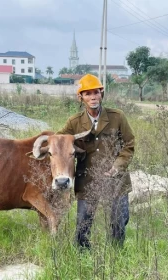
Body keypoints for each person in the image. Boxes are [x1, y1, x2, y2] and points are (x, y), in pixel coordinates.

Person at [56, 74, 135, 249]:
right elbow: (59, 142)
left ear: (102, 94)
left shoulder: (117, 117)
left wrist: (117, 166)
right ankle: (83, 257)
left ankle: (116, 255)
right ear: (81, 97)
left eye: (96, 93)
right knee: (83, 224)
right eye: (88, 94)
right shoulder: (74, 122)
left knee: (119, 221)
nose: (93, 97)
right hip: (87, 180)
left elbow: (129, 144)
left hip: (115, 179)